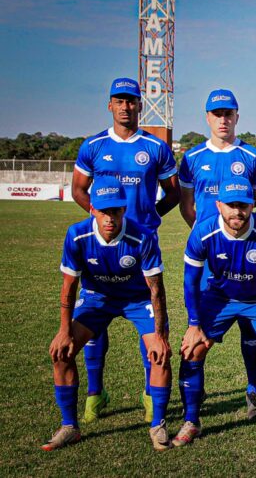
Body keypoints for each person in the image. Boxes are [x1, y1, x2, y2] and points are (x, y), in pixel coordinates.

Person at [71, 77, 179, 424]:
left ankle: (150, 393)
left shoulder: (157, 147)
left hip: (141, 248)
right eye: (119, 100)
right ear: (110, 105)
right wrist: (99, 218)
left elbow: (173, 193)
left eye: (132, 100)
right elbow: (78, 189)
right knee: (93, 318)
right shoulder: (93, 146)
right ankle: (94, 394)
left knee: (148, 319)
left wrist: (147, 219)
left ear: (139, 105)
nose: (126, 106)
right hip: (102, 248)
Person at [43, 176, 172, 451]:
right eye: (104, 211)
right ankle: (69, 427)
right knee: (61, 352)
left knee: (159, 355)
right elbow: (68, 288)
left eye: (115, 210)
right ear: (92, 209)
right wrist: (64, 331)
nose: (109, 218)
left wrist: (160, 335)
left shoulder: (143, 237)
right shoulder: (77, 235)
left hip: (138, 300)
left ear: (124, 209)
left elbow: (156, 291)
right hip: (96, 299)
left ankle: (158, 425)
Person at [175, 179, 256, 449]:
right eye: (230, 206)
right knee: (192, 349)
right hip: (221, 296)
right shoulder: (203, 231)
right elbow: (190, 282)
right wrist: (194, 324)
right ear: (218, 205)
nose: (237, 212)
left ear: (253, 205)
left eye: (243, 205)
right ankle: (191, 421)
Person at [178, 89, 256, 419]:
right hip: (209, 255)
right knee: (200, 325)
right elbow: (187, 207)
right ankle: (194, 390)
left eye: (228, 112)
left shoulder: (253, 156)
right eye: (216, 113)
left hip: (247, 252)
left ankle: (252, 390)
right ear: (207, 117)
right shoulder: (190, 159)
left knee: (250, 326)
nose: (223, 118)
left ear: (237, 116)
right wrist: (209, 236)